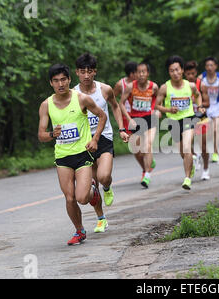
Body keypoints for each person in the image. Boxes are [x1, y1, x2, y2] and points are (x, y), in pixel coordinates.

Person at [38, 63, 107, 245]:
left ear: (69, 80)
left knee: (82, 198)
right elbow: (41, 135)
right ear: (51, 83)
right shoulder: (46, 105)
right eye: (56, 81)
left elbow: (102, 116)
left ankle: (93, 192)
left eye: (63, 79)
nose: (60, 84)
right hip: (62, 157)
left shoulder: (82, 99)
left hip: (82, 154)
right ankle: (79, 231)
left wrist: (95, 139)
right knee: (70, 198)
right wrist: (53, 134)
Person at [73, 53, 129, 233]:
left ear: (95, 72)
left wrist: (121, 128)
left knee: (103, 176)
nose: (86, 75)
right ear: (77, 73)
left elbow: (114, 106)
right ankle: (101, 218)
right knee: (91, 184)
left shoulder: (105, 89)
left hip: (103, 137)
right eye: (83, 72)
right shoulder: (73, 94)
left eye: (90, 71)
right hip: (83, 142)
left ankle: (107, 186)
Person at [155, 55, 205, 190]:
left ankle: (187, 178)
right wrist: (168, 109)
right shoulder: (165, 88)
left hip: (188, 118)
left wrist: (199, 107)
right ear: (169, 72)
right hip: (173, 121)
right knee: (183, 153)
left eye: (177, 70)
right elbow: (156, 105)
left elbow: (198, 95)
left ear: (182, 70)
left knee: (188, 147)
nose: (175, 73)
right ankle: (192, 165)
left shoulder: (191, 85)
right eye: (172, 70)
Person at [120, 62, 159, 188]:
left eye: (144, 71)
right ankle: (150, 162)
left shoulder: (154, 87)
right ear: (135, 73)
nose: (141, 74)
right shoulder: (131, 87)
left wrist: (157, 110)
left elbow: (159, 100)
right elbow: (121, 103)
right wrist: (128, 118)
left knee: (147, 145)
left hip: (149, 119)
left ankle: (147, 174)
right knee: (136, 150)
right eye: (139, 72)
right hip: (135, 120)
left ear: (148, 73)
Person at [198, 56, 219, 163]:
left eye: (211, 65)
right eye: (207, 65)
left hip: (216, 106)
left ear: (216, 66)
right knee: (207, 133)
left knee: (216, 129)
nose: (209, 67)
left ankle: (215, 153)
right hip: (205, 107)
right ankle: (203, 151)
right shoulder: (201, 78)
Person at [184, 60, 206, 175]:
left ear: (196, 73)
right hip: (187, 117)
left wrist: (200, 105)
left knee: (203, 144)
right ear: (184, 74)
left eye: (193, 73)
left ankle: (206, 170)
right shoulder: (181, 86)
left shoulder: (201, 84)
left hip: (200, 117)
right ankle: (195, 156)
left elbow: (207, 102)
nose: (191, 76)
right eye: (188, 74)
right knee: (187, 143)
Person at [113, 61, 137, 137]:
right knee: (132, 139)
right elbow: (112, 98)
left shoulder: (140, 83)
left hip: (139, 112)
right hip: (127, 114)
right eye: (137, 72)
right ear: (131, 74)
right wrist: (117, 108)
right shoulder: (120, 84)